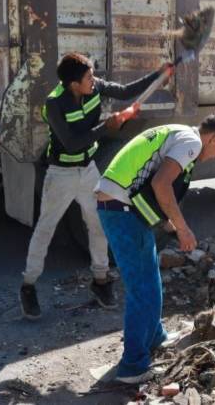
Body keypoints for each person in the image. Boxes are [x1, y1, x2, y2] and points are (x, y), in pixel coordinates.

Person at [20, 52, 172, 320]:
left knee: (98, 224)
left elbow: (125, 91)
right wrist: (109, 125)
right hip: (61, 174)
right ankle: (29, 286)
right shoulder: (54, 104)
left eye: (93, 76)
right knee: (46, 228)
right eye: (89, 78)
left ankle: (101, 281)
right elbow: (72, 143)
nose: (94, 81)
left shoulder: (94, 87)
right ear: (73, 84)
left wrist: (159, 73)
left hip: (88, 170)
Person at [94, 114, 215, 383]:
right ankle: (132, 367)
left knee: (151, 277)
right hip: (120, 210)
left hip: (126, 208)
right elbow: (160, 185)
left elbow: (150, 187)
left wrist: (172, 227)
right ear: (214, 138)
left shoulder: (181, 134)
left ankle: (156, 336)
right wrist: (182, 228)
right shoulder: (191, 142)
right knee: (140, 288)